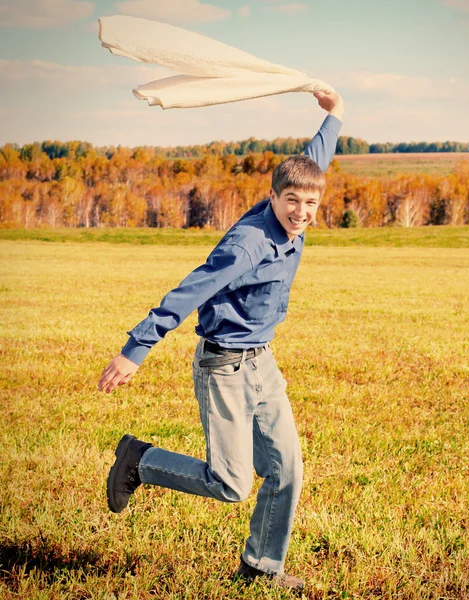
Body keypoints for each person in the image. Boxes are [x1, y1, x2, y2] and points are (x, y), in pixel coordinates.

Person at [98, 90, 344, 591]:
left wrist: (333, 113)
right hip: (224, 365)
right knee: (231, 484)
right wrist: (136, 349)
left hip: (262, 364)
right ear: (272, 197)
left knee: (286, 471)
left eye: (311, 203)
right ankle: (140, 461)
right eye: (291, 201)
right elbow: (191, 290)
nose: (301, 212)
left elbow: (313, 162)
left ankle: (260, 569)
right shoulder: (249, 244)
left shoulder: (297, 205)